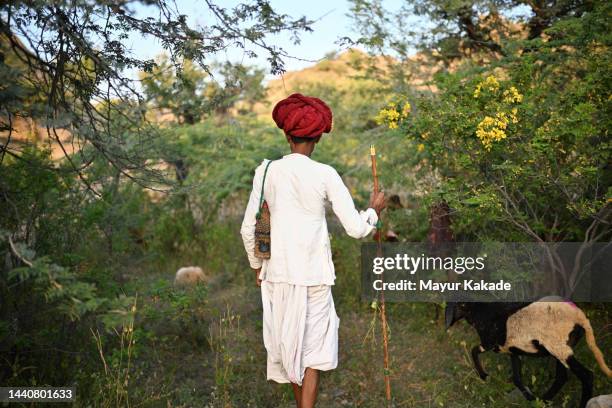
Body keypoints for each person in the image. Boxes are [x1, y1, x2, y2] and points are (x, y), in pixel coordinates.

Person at [240, 93, 385, 408]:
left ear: (286, 134)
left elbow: (247, 228)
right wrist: (373, 211)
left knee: (289, 347)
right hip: (314, 277)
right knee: (313, 352)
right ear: (317, 138)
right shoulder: (325, 174)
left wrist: (257, 268)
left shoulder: (265, 171)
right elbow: (357, 228)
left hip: (276, 276)